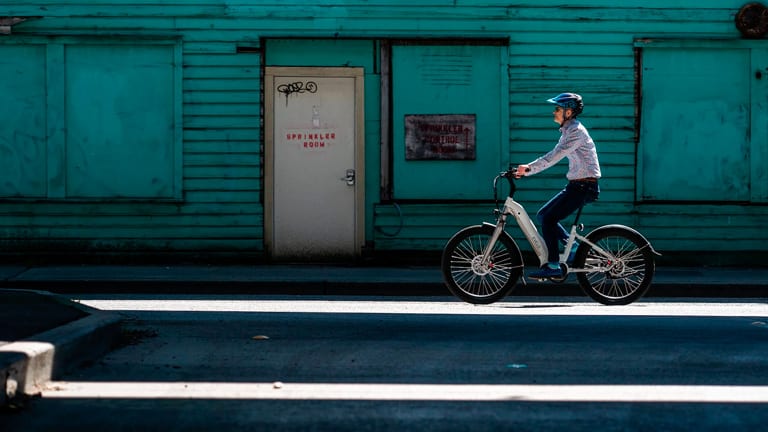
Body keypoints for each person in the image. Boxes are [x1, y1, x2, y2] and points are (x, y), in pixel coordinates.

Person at [515, 93, 601, 278]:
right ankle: (574, 247)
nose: (554, 112)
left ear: (568, 112)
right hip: (577, 185)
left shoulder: (576, 132)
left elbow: (554, 156)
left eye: (557, 109)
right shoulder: (568, 130)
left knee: (548, 219)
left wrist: (529, 168)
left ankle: (553, 265)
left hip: (584, 186)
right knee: (543, 215)